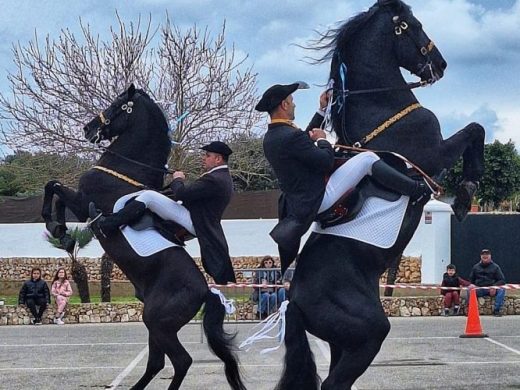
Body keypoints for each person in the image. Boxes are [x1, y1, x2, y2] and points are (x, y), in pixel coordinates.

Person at [256, 82, 433, 271]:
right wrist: (323, 139)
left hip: (298, 203)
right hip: (318, 197)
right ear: (283, 105)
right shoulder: (290, 136)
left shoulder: (273, 137)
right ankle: (417, 191)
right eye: (291, 101)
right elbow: (325, 161)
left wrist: (321, 111)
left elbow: (302, 142)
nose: (294, 105)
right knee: (367, 159)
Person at [89, 141, 236, 284]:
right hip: (196, 217)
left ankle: (108, 224)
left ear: (218, 159)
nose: (204, 158)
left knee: (149, 197)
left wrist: (177, 179)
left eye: (207, 155)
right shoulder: (222, 177)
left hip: (194, 220)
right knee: (153, 196)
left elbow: (182, 194)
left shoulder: (214, 179)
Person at [468, 249, 506, 317]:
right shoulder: (475, 267)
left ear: (490, 256)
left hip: (491, 289)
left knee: (502, 290)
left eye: (487, 254)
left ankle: (496, 310)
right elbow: (471, 280)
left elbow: (502, 280)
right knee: (469, 290)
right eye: (483, 254)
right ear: (481, 256)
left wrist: (494, 286)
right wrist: (472, 285)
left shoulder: (495, 267)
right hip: (479, 289)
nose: (485, 256)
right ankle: (472, 311)